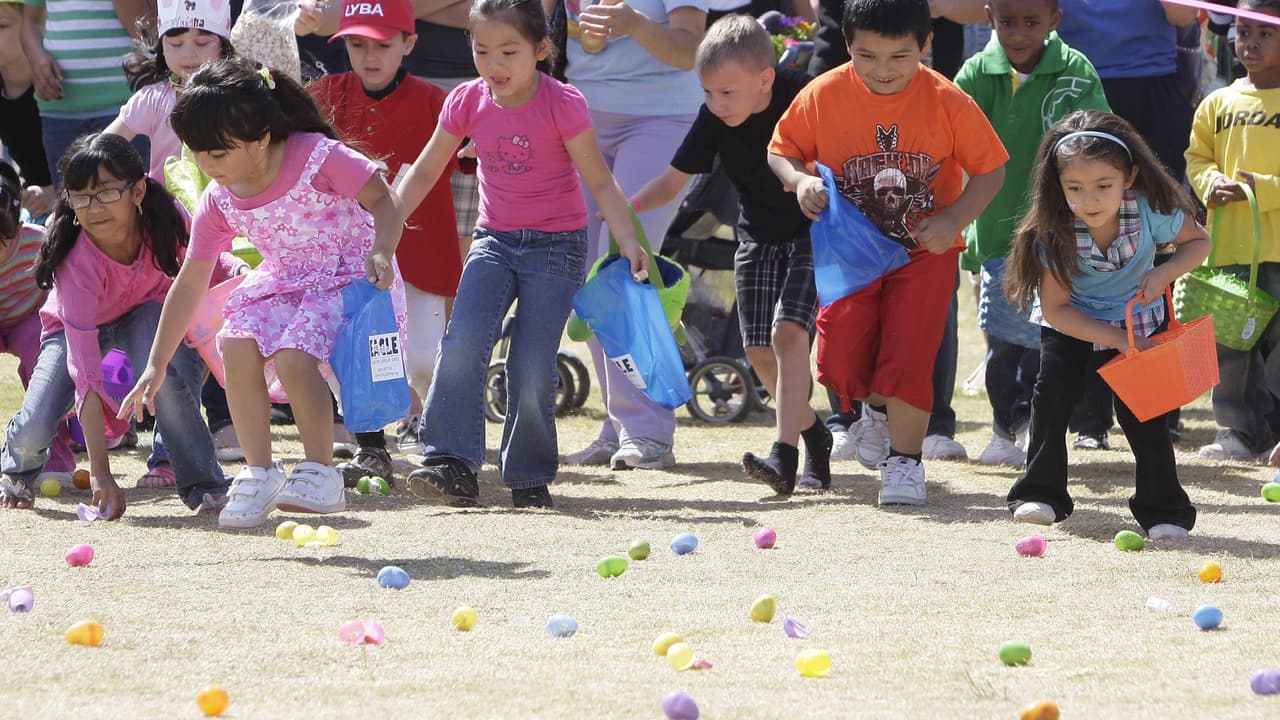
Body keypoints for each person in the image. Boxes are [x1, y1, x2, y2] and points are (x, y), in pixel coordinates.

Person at [118, 57, 406, 530]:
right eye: (199, 154)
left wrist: (383, 249)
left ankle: (320, 473)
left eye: (218, 153)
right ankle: (260, 472)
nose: (207, 166)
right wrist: (156, 362)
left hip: (348, 277)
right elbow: (191, 279)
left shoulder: (318, 156)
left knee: (294, 358)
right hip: (284, 282)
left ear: (261, 137)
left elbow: (383, 198)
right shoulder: (219, 198)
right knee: (235, 343)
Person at [395, 0, 648, 509]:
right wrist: (383, 231)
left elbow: (600, 180)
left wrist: (627, 240)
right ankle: (450, 463)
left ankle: (529, 475)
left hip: (557, 246)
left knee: (531, 362)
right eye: (482, 50)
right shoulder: (466, 100)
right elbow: (423, 172)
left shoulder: (564, 103)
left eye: (509, 51)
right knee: (461, 343)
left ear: (541, 48)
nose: (495, 64)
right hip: (494, 240)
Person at [768, 0, 1006, 506]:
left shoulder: (948, 100)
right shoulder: (823, 93)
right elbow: (781, 149)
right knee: (840, 358)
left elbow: (991, 170)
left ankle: (905, 463)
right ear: (847, 44)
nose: (883, 70)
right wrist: (800, 180)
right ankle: (873, 408)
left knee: (910, 353)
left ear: (926, 45)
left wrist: (953, 220)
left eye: (900, 56)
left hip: (924, 251)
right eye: (867, 56)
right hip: (851, 252)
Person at [630, 15, 830, 494]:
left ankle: (783, 456)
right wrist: (625, 206)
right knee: (759, 351)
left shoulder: (805, 96)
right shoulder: (714, 118)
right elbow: (671, 184)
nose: (716, 104)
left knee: (788, 334)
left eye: (726, 93)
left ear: (765, 79)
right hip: (756, 237)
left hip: (814, 234)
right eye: (707, 93)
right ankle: (814, 434)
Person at [1003, 110, 1210, 538]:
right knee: (1052, 397)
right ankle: (1039, 493)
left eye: (1103, 185)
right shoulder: (1051, 229)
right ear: (1057, 184)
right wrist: (1113, 338)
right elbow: (1057, 310)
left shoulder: (1152, 209)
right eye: (1074, 188)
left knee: (1145, 413)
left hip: (1139, 318)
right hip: (1074, 322)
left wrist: (1165, 273)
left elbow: (1199, 241)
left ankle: (1165, 511)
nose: (1090, 200)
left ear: (1129, 177)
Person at [1, 134, 228, 517]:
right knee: (38, 419)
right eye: (81, 197)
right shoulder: (75, 259)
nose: (94, 208)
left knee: (168, 382)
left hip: (149, 310)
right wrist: (101, 475)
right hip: (75, 327)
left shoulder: (167, 217)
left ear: (137, 190)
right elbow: (86, 376)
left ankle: (205, 484)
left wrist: (234, 279)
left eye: (106, 192)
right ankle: (16, 469)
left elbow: (207, 268)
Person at [308, 0, 461, 484]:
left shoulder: (437, 102)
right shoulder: (324, 94)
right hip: (350, 257)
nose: (369, 56)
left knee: (423, 359)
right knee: (353, 353)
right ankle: (372, 446)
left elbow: (470, 156)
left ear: (409, 43)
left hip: (422, 250)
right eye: (357, 45)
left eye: (383, 45)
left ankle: (432, 428)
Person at [953, 0, 1110, 466]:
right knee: (1003, 339)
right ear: (989, 18)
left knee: (1048, 341)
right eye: (1007, 22)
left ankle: (1037, 429)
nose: (1019, 33)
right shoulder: (975, 74)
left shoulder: (1076, 71)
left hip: (1061, 235)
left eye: (1031, 22)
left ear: (1054, 21)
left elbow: (1102, 140)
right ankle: (1005, 427)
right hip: (997, 235)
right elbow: (949, 142)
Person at [556, 0, 707, 471]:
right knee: (584, 272)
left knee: (625, 266)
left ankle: (647, 430)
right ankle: (619, 426)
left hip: (663, 117)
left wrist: (634, 25)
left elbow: (690, 50)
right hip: (579, 117)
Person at [1185, 0, 1280, 462]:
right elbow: (1197, 158)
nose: (1250, 43)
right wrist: (1209, 184)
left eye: (1265, 33)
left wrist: (1265, 189)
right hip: (1229, 248)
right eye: (1243, 32)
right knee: (1231, 344)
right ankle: (1239, 432)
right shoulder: (1216, 101)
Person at [19, 0, 150, 187]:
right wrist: (36, 57)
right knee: (70, 198)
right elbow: (30, 22)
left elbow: (146, 28)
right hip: (60, 110)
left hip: (125, 107)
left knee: (130, 195)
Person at [0, 160, 74, 483]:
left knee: (41, 352)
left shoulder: (38, 242)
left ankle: (54, 456)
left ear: (16, 226)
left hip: (30, 317)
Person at [107, 0, 235, 181]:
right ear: (162, 47)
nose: (188, 53)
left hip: (225, 197)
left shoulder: (237, 98)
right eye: (176, 43)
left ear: (223, 44)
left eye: (202, 42)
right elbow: (105, 144)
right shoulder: (153, 98)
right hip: (165, 198)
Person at [0, 0, 53, 217]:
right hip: (31, 204)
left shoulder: (55, 78)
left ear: (37, 24)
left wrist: (55, 192)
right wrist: (18, 192)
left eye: (1, 26)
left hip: (78, 197)